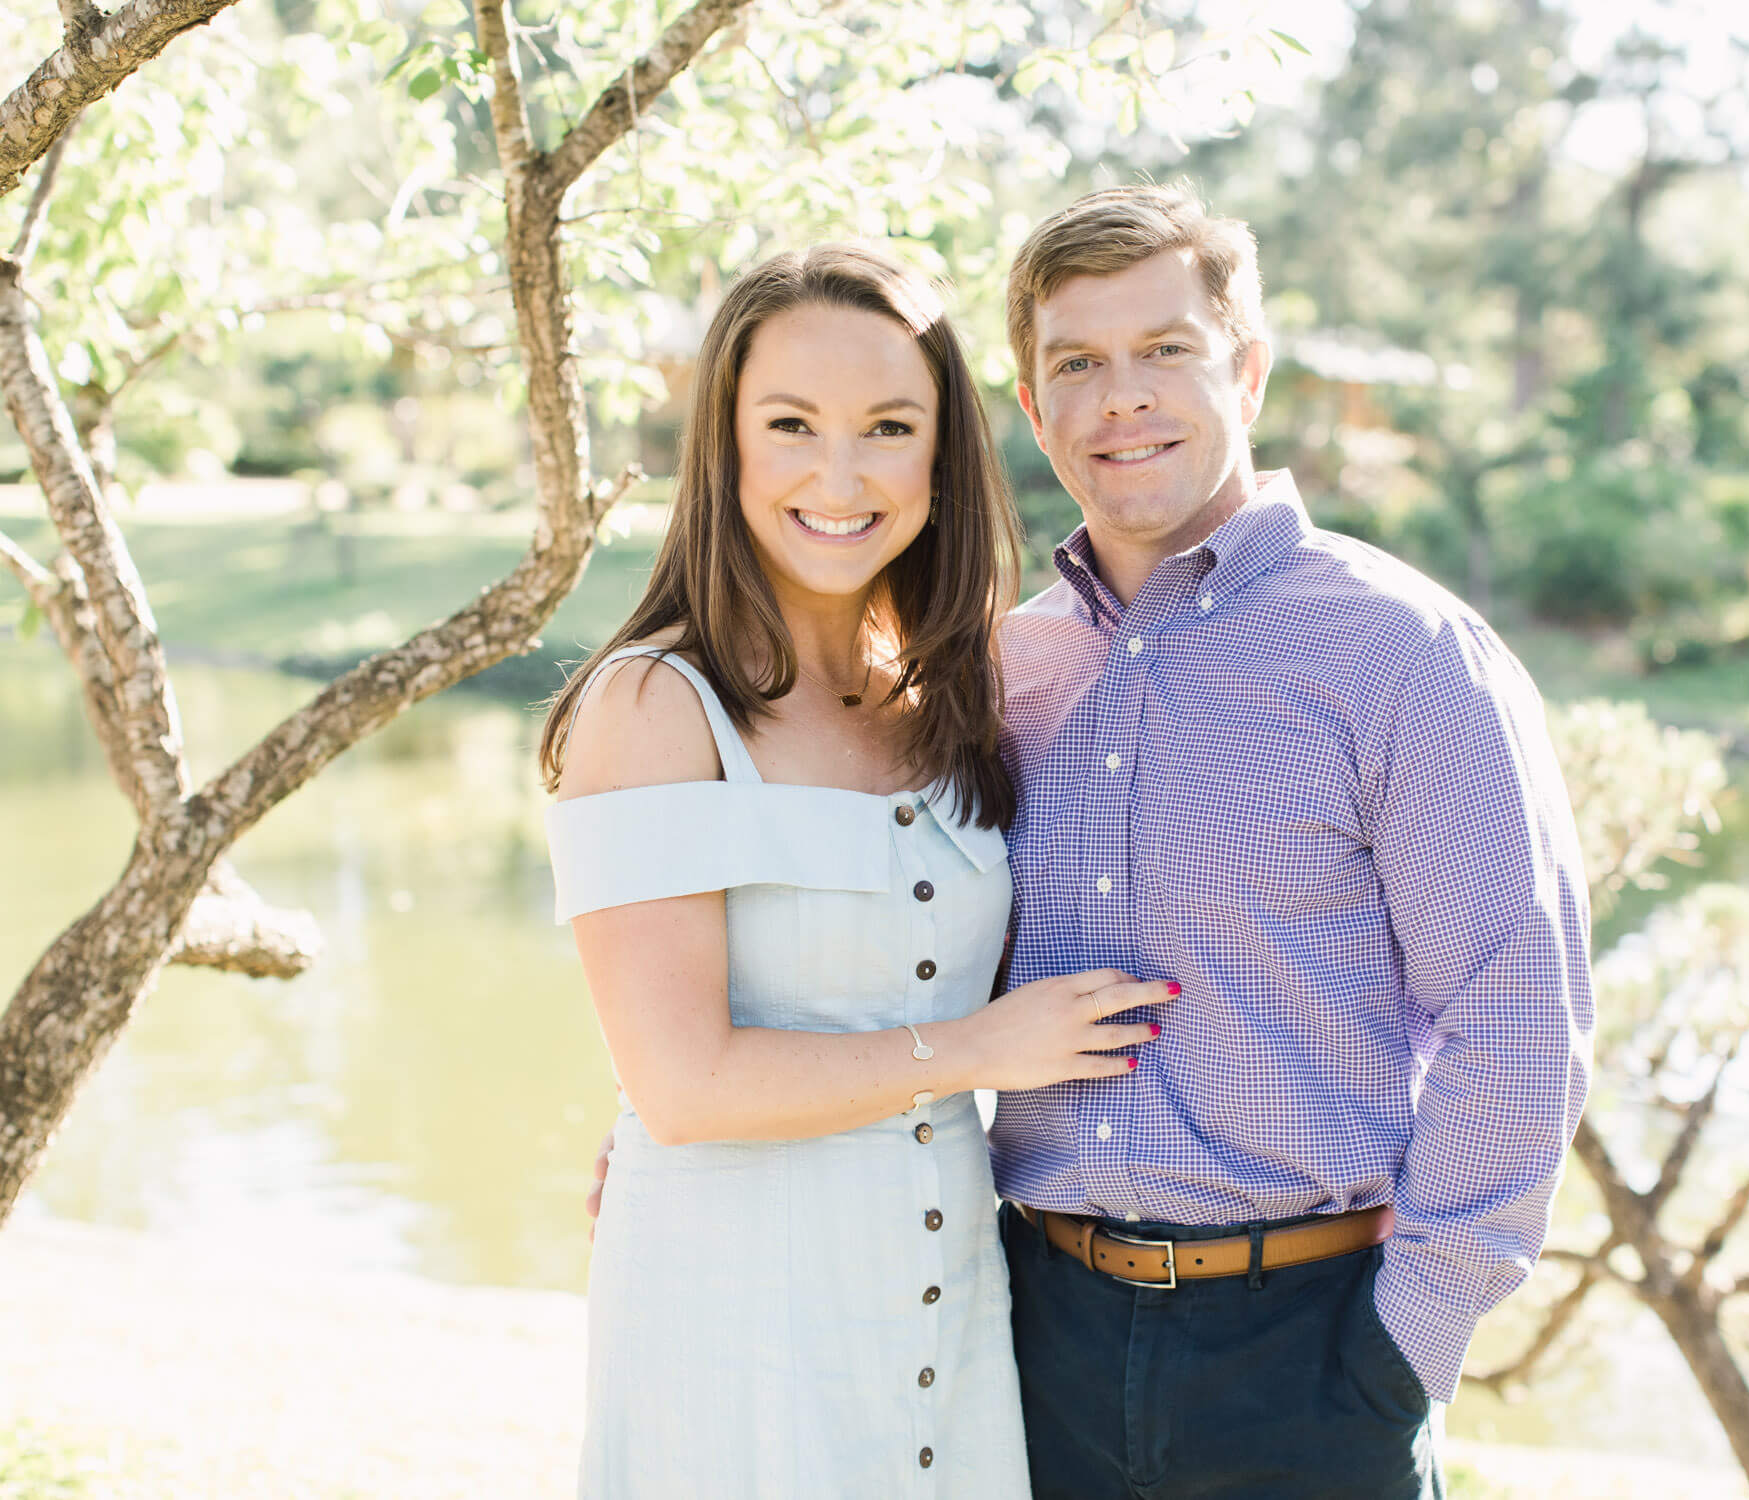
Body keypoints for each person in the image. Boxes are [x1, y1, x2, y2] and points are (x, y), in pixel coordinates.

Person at [588, 186, 1592, 1500]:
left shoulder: (1401, 656)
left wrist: (1406, 1348)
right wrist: (674, 1105)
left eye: (1166, 350)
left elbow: (1518, 1024)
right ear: (1031, 403)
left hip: (1310, 1353)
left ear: (1247, 367)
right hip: (1026, 1339)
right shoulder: (994, 676)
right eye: (1078, 363)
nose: (1123, 398)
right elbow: (888, 940)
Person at [541, 243, 1174, 1500]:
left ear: (942, 457)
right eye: (790, 425)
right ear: (723, 445)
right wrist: (982, 1053)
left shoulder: (953, 695)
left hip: (948, 1301)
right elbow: (679, 1084)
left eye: (888, 427)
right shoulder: (654, 705)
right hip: (738, 1311)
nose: (840, 475)